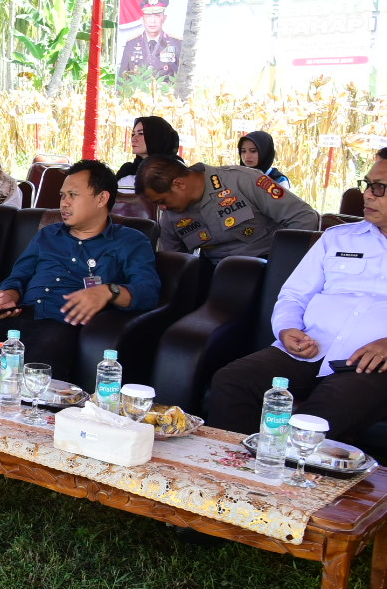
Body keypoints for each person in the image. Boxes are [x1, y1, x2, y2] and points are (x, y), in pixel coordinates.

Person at [207, 150, 387, 442]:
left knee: (314, 421)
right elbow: (294, 294)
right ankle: (232, 472)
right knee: (232, 381)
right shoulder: (337, 238)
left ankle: (285, 484)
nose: (368, 195)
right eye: (367, 184)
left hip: (371, 364)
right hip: (310, 346)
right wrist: (288, 328)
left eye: (379, 188)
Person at [0, 159, 161, 386]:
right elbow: (19, 274)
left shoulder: (130, 241)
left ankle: (19, 416)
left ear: (102, 198)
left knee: (36, 373)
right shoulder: (48, 235)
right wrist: (9, 293)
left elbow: (148, 291)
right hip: (20, 313)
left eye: (73, 195)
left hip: (63, 322)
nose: (64, 203)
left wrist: (109, 291)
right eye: (62, 196)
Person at [139, 156, 319, 266]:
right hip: (217, 276)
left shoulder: (242, 181)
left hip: (267, 264)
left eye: (162, 201)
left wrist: (282, 267)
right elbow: (174, 264)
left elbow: (304, 217)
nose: (162, 208)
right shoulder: (171, 217)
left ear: (179, 184)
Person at [118, 0, 181, 79]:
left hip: (167, 92)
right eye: (148, 16)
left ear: (164, 18)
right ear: (143, 19)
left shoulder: (176, 43)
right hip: (137, 91)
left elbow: (183, 78)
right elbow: (122, 78)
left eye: (157, 16)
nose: (153, 21)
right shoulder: (131, 44)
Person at [114, 115, 182, 185]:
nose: (133, 139)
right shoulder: (128, 170)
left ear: (157, 137)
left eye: (140, 134)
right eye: (133, 134)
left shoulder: (176, 170)